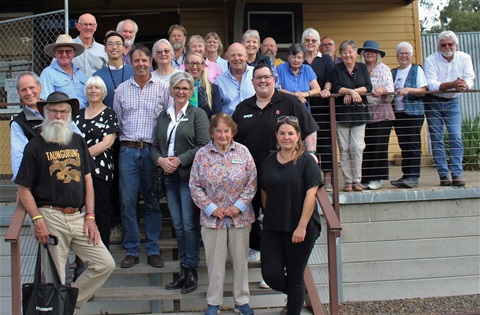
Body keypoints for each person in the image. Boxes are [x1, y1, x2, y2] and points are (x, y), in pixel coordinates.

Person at [15, 91, 115, 309]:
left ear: (70, 115)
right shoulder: (34, 147)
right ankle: (61, 307)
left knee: (105, 263)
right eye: (53, 111)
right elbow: (23, 189)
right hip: (50, 216)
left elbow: (88, 182)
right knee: (56, 278)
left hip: (78, 217)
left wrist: (90, 216)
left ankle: (68, 305)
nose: (58, 116)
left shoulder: (78, 141)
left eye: (63, 111)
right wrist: (37, 219)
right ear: (45, 113)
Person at [232, 63, 318, 287]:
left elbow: (308, 129)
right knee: (256, 222)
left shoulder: (289, 103)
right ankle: (263, 258)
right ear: (252, 82)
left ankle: (283, 273)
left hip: (284, 180)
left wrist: (311, 155)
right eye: (258, 78)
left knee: (281, 222)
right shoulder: (242, 108)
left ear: (274, 79)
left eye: (266, 77)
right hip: (250, 180)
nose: (262, 81)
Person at [190, 113, 257, 315]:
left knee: (240, 262)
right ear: (212, 132)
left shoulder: (243, 152)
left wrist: (238, 206)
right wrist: (211, 208)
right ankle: (213, 302)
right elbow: (194, 185)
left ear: (232, 132)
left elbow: (251, 182)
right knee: (215, 264)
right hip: (212, 220)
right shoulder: (202, 155)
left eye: (226, 131)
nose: (223, 135)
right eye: (218, 131)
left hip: (240, 218)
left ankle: (241, 301)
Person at [113, 45, 172, 268]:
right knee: (127, 202)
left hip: (151, 152)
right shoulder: (121, 90)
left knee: (152, 200)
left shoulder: (163, 89)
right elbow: (117, 122)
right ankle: (131, 249)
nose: (140, 64)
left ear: (151, 62)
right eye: (136, 61)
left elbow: (167, 121)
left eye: (144, 60)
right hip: (127, 150)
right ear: (131, 63)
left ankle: (153, 249)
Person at [150, 72, 210, 293]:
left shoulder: (198, 114)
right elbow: (154, 145)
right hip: (168, 176)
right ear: (171, 90)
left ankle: (192, 270)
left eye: (185, 88)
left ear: (191, 91)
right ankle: (183, 270)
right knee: (177, 226)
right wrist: (160, 160)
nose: (181, 92)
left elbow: (204, 146)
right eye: (177, 88)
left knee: (189, 226)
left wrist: (179, 160)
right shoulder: (163, 116)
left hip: (188, 177)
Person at [260, 116, 322, 315]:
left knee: (295, 275)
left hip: (301, 226)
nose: (286, 137)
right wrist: (270, 215)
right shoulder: (268, 162)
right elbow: (264, 192)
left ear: (298, 137)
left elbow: (311, 194)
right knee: (271, 275)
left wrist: (302, 226)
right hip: (273, 226)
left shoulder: (306, 162)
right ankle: (298, 292)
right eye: (282, 133)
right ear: (276, 136)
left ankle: (294, 305)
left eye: (290, 133)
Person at [424, 30, 475, 187]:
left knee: (455, 137)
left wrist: (465, 85)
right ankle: (444, 175)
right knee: (437, 139)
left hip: (453, 102)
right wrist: (453, 84)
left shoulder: (465, 58)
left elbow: (470, 78)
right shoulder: (430, 59)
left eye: (450, 44)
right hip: (433, 101)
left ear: (456, 45)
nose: (447, 47)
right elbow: (432, 85)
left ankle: (457, 174)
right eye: (443, 44)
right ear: (438, 46)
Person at [75, 76, 119, 249]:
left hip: (99, 171)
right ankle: (81, 256)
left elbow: (107, 142)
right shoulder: (77, 114)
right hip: (78, 171)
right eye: (90, 87)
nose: (93, 90)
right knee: (80, 212)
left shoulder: (109, 113)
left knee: (100, 212)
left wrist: (81, 157)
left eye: (97, 88)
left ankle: (102, 252)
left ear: (103, 92)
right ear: (85, 91)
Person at [330, 40, 373, 192]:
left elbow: (368, 86)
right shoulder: (337, 69)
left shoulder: (362, 67)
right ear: (340, 55)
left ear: (355, 53)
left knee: (357, 147)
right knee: (344, 148)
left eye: (350, 52)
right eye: (344, 52)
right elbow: (335, 86)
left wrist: (351, 91)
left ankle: (357, 180)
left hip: (359, 113)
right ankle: (348, 181)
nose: (347, 55)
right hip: (342, 114)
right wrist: (350, 91)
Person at [390, 42, 428, 189]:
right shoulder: (393, 72)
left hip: (413, 112)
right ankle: (406, 176)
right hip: (398, 113)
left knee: (413, 143)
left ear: (411, 56)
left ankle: (413, 176)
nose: (404, 56)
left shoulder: (417, 69)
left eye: (406, 53)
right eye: (401, 53)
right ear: (397, 56)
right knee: (404, 144)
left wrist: (410, 90)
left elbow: (423, 90)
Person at [358, 40, 395, 190]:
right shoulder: (359, 68)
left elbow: (390, 91)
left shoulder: (384, 69)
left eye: (373, 52)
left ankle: (377, 178)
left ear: (378, 55)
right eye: (366, 51)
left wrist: (383, 91)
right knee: (365, 145)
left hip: (381, 112)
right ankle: (365, 177)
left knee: (379, 145)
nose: (369, 54)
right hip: (364, 111)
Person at [302, 28, 335, 192]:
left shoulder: (326, 59)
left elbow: (330, 79)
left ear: (318, 43)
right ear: (303, 43)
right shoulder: (299, 60)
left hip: (322, 105)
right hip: (303, 106)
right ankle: (307, 178)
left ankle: (327, 180)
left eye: (313, 41)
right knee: (305, 144)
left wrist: (326, 89)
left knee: (324, 142)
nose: (310, 43)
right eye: (307, 40)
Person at [40, 34, 88, 109]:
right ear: (55, 53)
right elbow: (46, 101)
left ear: (73, 53)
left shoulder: (81, 74)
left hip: (84, 116)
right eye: (60, 51)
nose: (64, 54)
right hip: (62, 117)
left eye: (68, 51)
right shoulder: (48, 74)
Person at [93, 31, 134, 108]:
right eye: (110, 44)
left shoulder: (133, 71)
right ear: (105, 49)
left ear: (123, 48)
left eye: (118, 44)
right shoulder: (97, 76)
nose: (114, 47)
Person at [276, 43, 321, 111]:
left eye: (299, 57)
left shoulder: (307, 69)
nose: (296, 60)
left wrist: (304, 94)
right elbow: (278, 89)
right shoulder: (280, 69)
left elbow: (317, 89)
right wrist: (293, 95)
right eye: (293, 57)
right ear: (288, 57)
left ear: (303, 59)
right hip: (285, 108)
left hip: (303, 110)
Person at [215, 43, 255, 115]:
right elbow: (216, 109)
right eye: (233, 55)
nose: (236, 58)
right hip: (230, 123)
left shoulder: (256, 74)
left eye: (240, 55)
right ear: (227, 58)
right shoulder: (219, 81)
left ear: (246, 57)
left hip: (255, 121)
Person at [184, 52, 222, 119]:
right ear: (186, 65)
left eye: (198, 64)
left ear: (203, 66)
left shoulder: (213, 88)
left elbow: (216, 115)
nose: (195, 67)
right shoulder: (180, 88)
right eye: (191, 63)